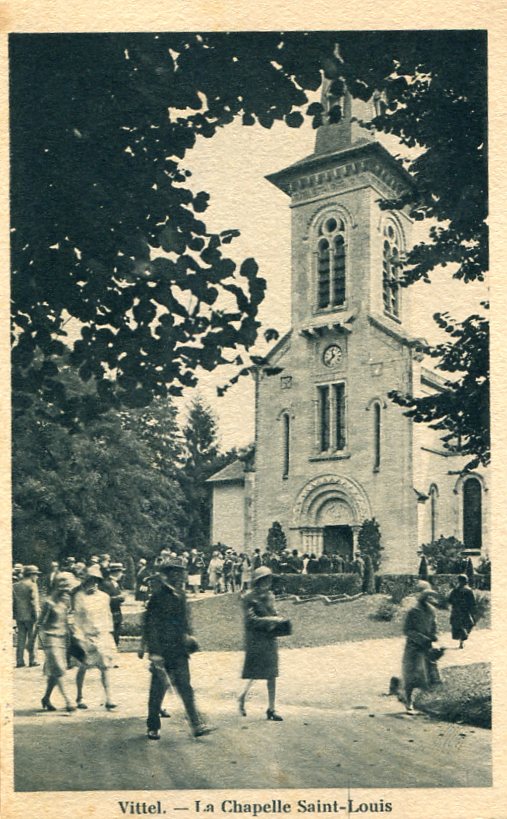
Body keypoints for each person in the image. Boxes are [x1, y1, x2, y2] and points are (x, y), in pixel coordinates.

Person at [143, 556, 213, 740]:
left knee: (185, 687)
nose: (180, 575)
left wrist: (190, 636)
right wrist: (154, 653)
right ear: (168, 574)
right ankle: (153, 725)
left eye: (181, 571)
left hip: (180, 650)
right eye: (176, 571)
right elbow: (150, 626)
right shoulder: (158, 596)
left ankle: (196, 724)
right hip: (162, 651)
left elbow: (184, 621)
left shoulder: (181, 595)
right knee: (158, 689)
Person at [239, 566, 287, 721]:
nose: (267, 583)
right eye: (264, 580)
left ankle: (271, 709)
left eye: (269, 579)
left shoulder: (270, 596)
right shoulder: (248, 597)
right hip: (256, 639)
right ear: (257, 581)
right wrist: (271, 620)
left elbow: (274, 612)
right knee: (255, 672)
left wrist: (279, 619)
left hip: (269, 637)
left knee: (272, 673)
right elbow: (250, 620)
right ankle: (242, 696)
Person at [71, 564, 118, 710]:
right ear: (85, 581)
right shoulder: (79, 597)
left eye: (96, 580)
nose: (93, 583)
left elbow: (108, 615)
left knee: (105, 667)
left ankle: (109, 698)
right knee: (83, 667)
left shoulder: (105, 597)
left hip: (102, 635)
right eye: (90, 580)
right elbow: (77, 618)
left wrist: (108, 632)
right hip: (86, 636)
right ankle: (79, 697)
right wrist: (78, 637)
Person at [38, 572, 78, 712]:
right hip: (50, 638)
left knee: (55, 671)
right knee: (59, 669)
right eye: (66, 588)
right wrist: (37, 642)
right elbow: (40, 623)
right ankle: (69, 701)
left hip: (63, 639)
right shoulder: (49, 603)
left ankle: (46, 698)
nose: (68, 591)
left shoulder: (67, 602)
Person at [401, 581, 439, 715]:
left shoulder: (432, 610)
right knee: (411, 674)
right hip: (413, 646)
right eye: (424, 595)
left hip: (427, 647)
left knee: (429, 673)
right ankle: (409, 701)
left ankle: (429, 703)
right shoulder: (413, 611)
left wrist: (434, 636)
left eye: (428, 595)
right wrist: (422, 638)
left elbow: (434, 626)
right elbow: (407, 630)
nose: (427, 598)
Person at [13, 564, 41, 667]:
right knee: (32, 638)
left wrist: (15, 615)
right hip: (31, 616)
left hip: (19, 616)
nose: (37, 577)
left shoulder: (15, 585)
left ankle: (19, 661)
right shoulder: (32, 585)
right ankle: (33, 660)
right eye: (36, 575)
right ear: (31, 574)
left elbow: (13, 603)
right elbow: (33, 602)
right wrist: (37, 616)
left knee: (21, 638)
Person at [448, 574, 477, 649]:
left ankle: (462, 640)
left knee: (459, 625)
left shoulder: (455, 590)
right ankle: (462, 640)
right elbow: (472, 602)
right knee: (468, 624)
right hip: (465, 611)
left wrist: (455, 603)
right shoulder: (469, 590)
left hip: (456, 611)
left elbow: (449, 600)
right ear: (466, 581)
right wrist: (472, 610)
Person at [101, 563, 125, 647]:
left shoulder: (115, 583)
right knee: (112, 637)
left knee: (116, 634)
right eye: (121, 572)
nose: (122, 574)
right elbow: (104, 599)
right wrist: (118, 598)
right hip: (111, 614)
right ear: (116, 572)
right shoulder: (106, 583)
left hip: (116, 613)